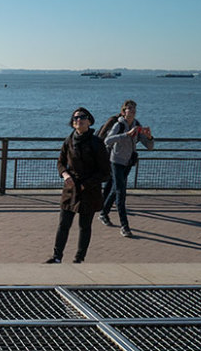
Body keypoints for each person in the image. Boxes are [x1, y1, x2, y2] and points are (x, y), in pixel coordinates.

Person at [46, 107, 110, 264]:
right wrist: (65, 174)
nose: (78, 120)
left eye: (82, 117)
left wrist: (86, 184)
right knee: (63, 224)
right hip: (70, 189)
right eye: (75, 118)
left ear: (89, 121)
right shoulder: (69, 140)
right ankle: (57, 257)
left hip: (89, 190)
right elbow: (60, 162)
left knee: (84, 226)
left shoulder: (96, 143)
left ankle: (79, 259)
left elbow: (105, 172)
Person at [98, 100, 154, 237]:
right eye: (129, 108)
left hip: (128, 163)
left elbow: (150, 147)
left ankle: (103, 213)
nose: (132, 111)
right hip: (116, 162)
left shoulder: (137, 125)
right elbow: (107, 140)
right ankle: (125, 226)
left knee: (115, 190)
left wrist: (149, 137)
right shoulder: (119, 125)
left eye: (134, 109)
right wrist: (126, 135)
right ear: (124, 111)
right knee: (121, 193)